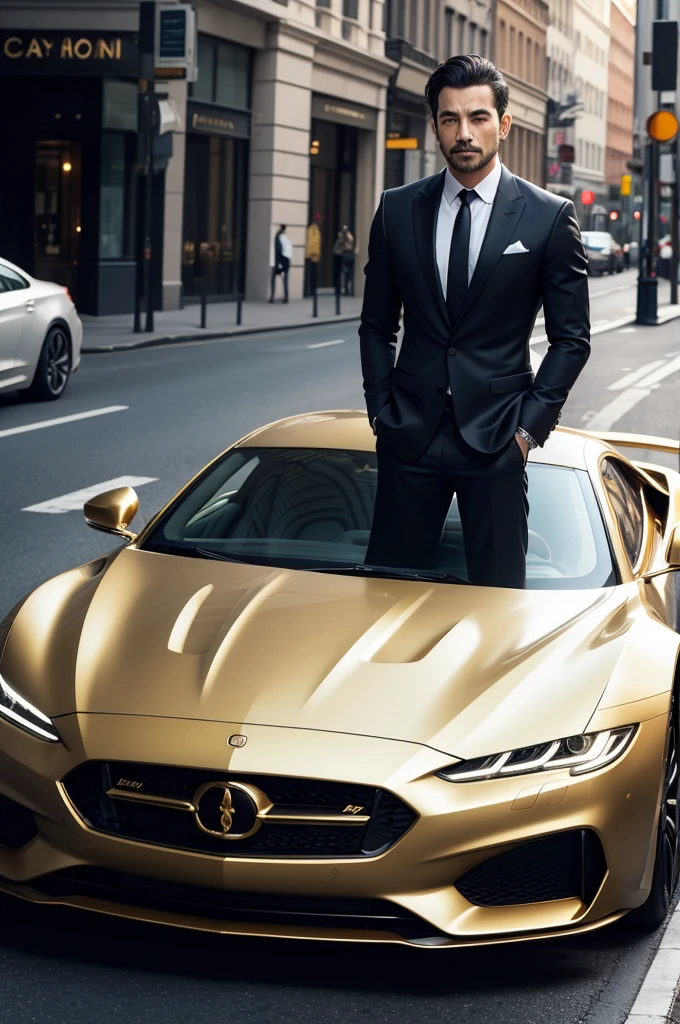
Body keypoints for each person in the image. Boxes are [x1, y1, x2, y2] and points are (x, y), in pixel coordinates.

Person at [360, 54, 590, 589]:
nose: (464, 132)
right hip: (408, 436)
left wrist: (528, 432)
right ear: (436, 125)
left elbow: (571, 340)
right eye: (449, 119)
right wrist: (381, 412)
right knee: (386, 596)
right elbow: (376, 325)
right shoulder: (397, 209)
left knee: (499, 600)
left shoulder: (548, 216)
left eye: (478, 117)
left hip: (497, 440)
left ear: (503, 124)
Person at [269, 225, 292, 303]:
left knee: (273, 279)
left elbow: (278, 251)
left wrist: (278, 264)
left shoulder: (278, 238)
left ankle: (272, 297)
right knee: (285, 280)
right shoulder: (285, 238)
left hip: (280, 262)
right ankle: (286, 297)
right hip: (286, 261)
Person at [333, 225, 356, 295]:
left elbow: (351, 241)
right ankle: (341, 289)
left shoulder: (350, 236)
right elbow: (337, 247)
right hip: (343, 254)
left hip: (349, 254)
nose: (345, 232)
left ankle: (347, 289)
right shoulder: (341, 237)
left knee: (349, 274)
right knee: (343, 272)